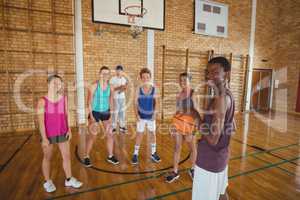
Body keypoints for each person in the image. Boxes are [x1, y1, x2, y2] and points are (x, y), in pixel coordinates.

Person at [192, 57, 235, 200]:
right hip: (220, 157)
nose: (209, 76)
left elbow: (213, 139)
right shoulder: (227, 94)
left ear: (227, 74)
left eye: (215, 72)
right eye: (208, 72)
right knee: (221, 194)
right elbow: (232, 127)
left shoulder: (221, 99)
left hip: (209, 161)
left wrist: (195, 115)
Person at [37, 74, 82, 193]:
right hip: (48, 135)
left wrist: (69, 129)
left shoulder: (64, 98)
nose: (57, 85)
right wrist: (44, 138)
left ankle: (69, 179)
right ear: (48, 84)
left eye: (59, 83)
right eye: (54, 82)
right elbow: (41, 122)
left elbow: (66, 115)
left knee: (66, 156)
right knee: (47, 157)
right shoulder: (42, 101)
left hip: (62, 131)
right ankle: (47, 181)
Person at [166, 73, 201, 183]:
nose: (183, 83)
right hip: (178, 123)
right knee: (177, 147)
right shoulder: (179, 94)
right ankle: (175, 172)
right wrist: (172, 125)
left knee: (192, 148)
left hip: (189, 125)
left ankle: (193, 169)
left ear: (190, 81)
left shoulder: (193, 94)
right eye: (181, 81)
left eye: (185, 80)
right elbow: (177, 111)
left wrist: (196, 127)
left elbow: (197, 111)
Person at [84, 66, 119, 167]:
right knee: (93, 135)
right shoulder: (94, 86)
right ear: (99, 74)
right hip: (94, 112)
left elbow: (111, 101)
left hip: (105, 112)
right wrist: (91, 116)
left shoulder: (111, 87)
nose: (105, 75)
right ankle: (86, 156)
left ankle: (110, 156)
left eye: (107, 73)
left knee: (110, 134)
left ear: (109, 75)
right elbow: (89, 102)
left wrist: (111, 115)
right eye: (103, 73)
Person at [131, 68, 161, 164]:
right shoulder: (138, 89)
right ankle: (135, 154)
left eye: (147, 77)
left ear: (150, 78)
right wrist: (136, 115)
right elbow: (135, 103)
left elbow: (157, 103)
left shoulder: (154, 89)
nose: (145, 79)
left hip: (151, 116)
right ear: (141, 78)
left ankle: (153, 153)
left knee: (152, 134)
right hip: (141, 116)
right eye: (143, 77)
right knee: (139, 134)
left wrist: (155, 114)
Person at [110, 65, 128, 134]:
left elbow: (125, 88)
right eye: (117, 70)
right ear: (116, 71)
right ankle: (113, 127)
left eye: (120, 71)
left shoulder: (124, 79)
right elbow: (112, 89)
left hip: (122, 98)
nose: (118, 72)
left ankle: (122, 126)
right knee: (115, 113)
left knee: (122, 112)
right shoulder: (113, 79)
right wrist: (119, 87)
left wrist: (123, 89)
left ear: (122, 72)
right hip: (115, 98)